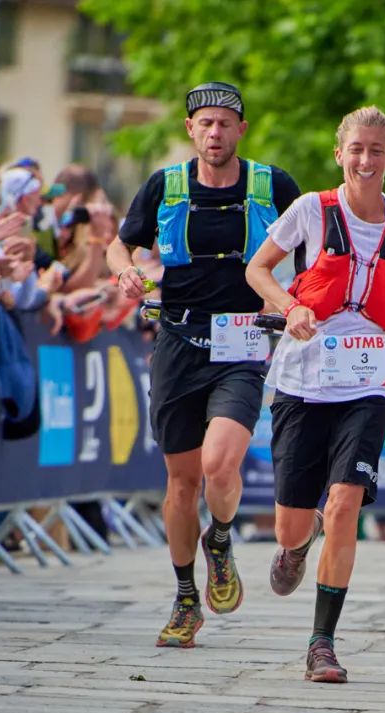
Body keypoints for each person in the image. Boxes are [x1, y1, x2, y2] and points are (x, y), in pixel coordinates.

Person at [245, 106, 385, 682]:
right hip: (302, 381)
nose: (366, 160)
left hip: (370, 383)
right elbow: (257, 270)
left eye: (377, 150)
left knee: (344, 504)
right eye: (357, 149)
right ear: (340, 154)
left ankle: (322, 643)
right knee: (292, 526)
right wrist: (290, 306)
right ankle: (297, 545)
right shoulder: (311, 210)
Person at [107, 81, 301, 648]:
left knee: (220, 466)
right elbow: (121, 245)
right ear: (191, 130)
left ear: (242, 129)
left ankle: (220, 536)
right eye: (205, 123)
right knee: (181, 480)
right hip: (178, 341)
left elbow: (312, 252)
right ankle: (186, 597)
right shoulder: (164, 185)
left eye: (225, 123)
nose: (215, 133)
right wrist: (125, 271)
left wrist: (289, 301)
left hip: (243, 342)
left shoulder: (273, 184)